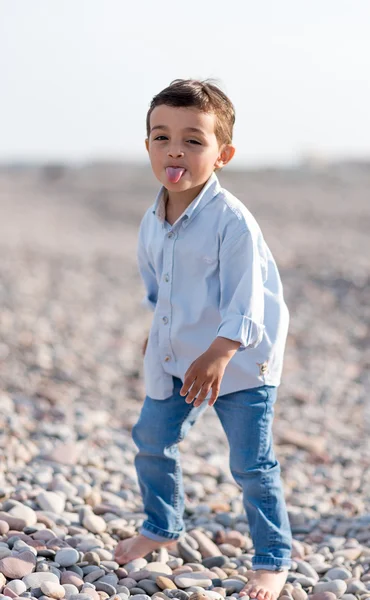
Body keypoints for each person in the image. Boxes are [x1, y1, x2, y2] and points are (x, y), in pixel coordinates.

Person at [114, 79, 292, 600]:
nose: (175, 150)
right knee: (151, 440)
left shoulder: (232, 222)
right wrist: (158, 333)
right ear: (147, 145)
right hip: (177, 356)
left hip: (238, 361)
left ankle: (272, 557)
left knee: (250, 465)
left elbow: (247, 300)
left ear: (223, 155)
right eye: (161, 137)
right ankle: (161, 525)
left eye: (194, 140)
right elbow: (159, 289)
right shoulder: (152, 219)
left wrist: (219, 351)